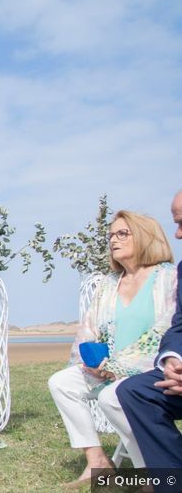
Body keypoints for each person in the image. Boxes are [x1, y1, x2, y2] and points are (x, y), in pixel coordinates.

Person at [48, 209, 177, 488]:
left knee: (114, 396)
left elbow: (167, 330)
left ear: (144, 237)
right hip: (106, 366)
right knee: (61, 382)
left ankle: (152, 473)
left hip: (150, 368)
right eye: (111, 235)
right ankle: (98, 462)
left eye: (122, 234)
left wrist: (118, 367)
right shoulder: (108, 284)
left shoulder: (169, 278)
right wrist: (92, 361)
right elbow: (89, 330)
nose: (113, 240)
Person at [117, 191, 182, 485]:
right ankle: (170, 480)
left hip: (134, 361)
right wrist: (173, 360)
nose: (177, 235)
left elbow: (158, 328)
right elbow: (179, 326)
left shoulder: (166, 276)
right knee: (134, 391)